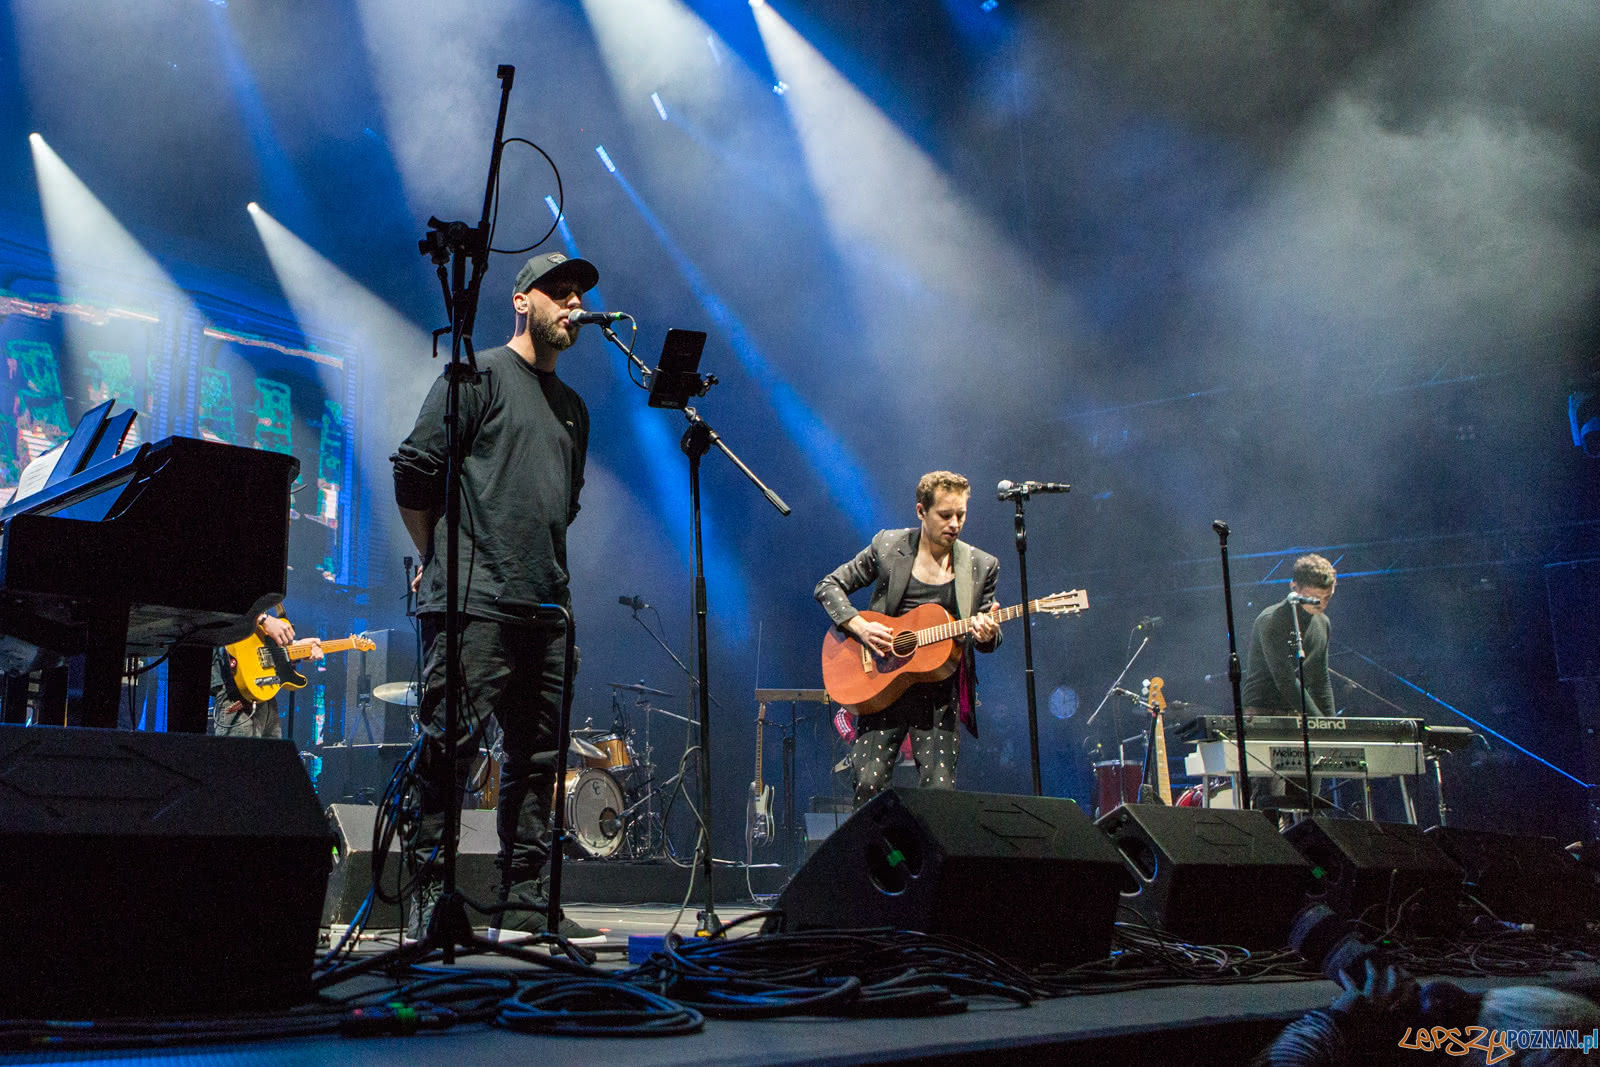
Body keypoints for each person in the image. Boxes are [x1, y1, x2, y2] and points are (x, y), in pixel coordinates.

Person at [391, 251, 603, 945]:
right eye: (559, 292)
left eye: (578, 295)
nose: (573, 305)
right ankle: (431, 896)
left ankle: (526, 901)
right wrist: (434, 553)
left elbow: (564, 507)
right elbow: (414, 470)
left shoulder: (574, 410)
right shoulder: (475, 376)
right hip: (473, 601)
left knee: (538, 762)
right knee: (447, 750)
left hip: (546, 609)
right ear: (521, 301)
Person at [815, 470, 1001, 808]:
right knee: (869, 785)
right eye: (945, 515)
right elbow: (828, 586)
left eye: (961, 515)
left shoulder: (980, 565)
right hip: (880, 683)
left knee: (939, 797)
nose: (955, 524)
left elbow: (987, 633)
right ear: (921, 511)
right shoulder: (888, 546)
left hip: (938, 693)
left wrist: (987, 634)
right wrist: (860, 625)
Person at [1241, 553, 1338, 810]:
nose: (1321, 604)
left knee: (1307, 800)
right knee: (1268, 802)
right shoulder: (1271, 620)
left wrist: (1332, 727)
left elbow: (1320, 678)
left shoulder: (1323, 623)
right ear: (1294, 587)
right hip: (1264, 713)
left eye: (1327, 598)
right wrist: (1319, 722)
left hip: (1300, 714)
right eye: (1315, 598)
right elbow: (1285, 681)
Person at [210, 609, 321, 738]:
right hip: (234, 690)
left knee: (270, 750)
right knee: (239, 751)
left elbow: (257, 641)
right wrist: (262, 618)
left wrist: (295, 647)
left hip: (264, 692)